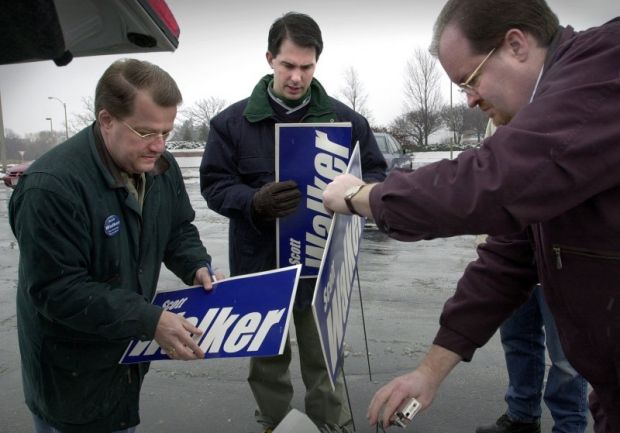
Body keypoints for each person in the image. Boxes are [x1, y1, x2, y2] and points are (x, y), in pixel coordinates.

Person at [321, 1, 620, 432]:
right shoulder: (557, 147)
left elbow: (488, 182)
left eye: (470, 80)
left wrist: (363, 196)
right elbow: (507, 261)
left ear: (516, 45)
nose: (470, 99)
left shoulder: (607, 69)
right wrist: (429, 371)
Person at [9, 58, 222, 433]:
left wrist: (195, 264)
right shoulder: (51, 188)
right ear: (106, 120)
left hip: (122, 355)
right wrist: (147, 319)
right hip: (69, 377)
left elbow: (177, 228)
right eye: (145, 132)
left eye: (166, 132)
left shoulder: (160, 166)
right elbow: (57, 290)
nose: (159, 146)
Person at [199, 12, 387, 433]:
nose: (297, 77)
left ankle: (329, 423)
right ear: (270, 59)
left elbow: (377, 178)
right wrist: (254, 202)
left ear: (317, 63)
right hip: (261, 262)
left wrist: (355, 196)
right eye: (288, 65)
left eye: (306, 66)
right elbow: (214, 186)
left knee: (323, 354)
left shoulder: (346, 121)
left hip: (322, 265)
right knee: (267, 356)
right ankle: (276, 422)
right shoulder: (232, 123)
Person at [476, 123, 588, 433]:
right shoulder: (497, 114)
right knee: (517, 340)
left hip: (562, 259)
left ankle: (569, 426)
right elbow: (489, 174)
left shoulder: (566, 103)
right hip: (512, 253)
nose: (473, 96)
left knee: (566, 358)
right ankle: (522, 416)